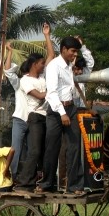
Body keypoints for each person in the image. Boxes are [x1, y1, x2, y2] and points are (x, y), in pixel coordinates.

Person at [4, 23, 54, 182]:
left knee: (35, 151)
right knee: (17, 150)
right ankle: (12, 177)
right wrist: (10, 53)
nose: (43, 65)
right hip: (20, 119)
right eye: (41, 63)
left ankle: (33, 177)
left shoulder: (42, 78)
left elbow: (51, 58)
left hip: (37, 120)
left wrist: (47, 36)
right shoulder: (20, 82)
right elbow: (7, 71)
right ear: (34, 64)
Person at [39, 36, 84, 194]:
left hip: (70, 108)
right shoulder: (53, 66)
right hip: (56, 110)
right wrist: (62, 113)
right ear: (63, 49)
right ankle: (46, 184)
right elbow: (51, 93)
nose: (74, 55)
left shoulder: (69, 65)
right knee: (52, 147)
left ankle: (74, 186)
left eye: (76, 52)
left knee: (74, 147)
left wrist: (82, 45)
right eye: (72, 51)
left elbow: (88, 65)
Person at [72, 35, 95, 109]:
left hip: (81, 109)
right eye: (78, 69)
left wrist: (81, 46)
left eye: (82, 69)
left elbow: (90, 62)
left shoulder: (82, 76)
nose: (81, 71)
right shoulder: (66, 73)